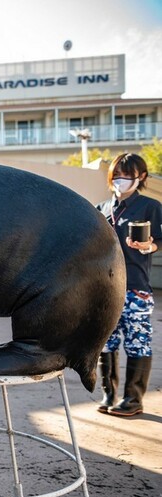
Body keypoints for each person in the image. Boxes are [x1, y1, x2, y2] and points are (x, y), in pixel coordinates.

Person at [96, 153, 161, 416]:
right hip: (104, 288)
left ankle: (133, 399)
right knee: (106, 341)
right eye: (117, 175)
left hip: (135, 287)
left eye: (127, 175)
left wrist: (150, 246)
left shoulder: (150, 206)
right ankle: (109, 394)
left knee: (137, 340)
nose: (120, 180)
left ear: (141, 177)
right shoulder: (101, 208)